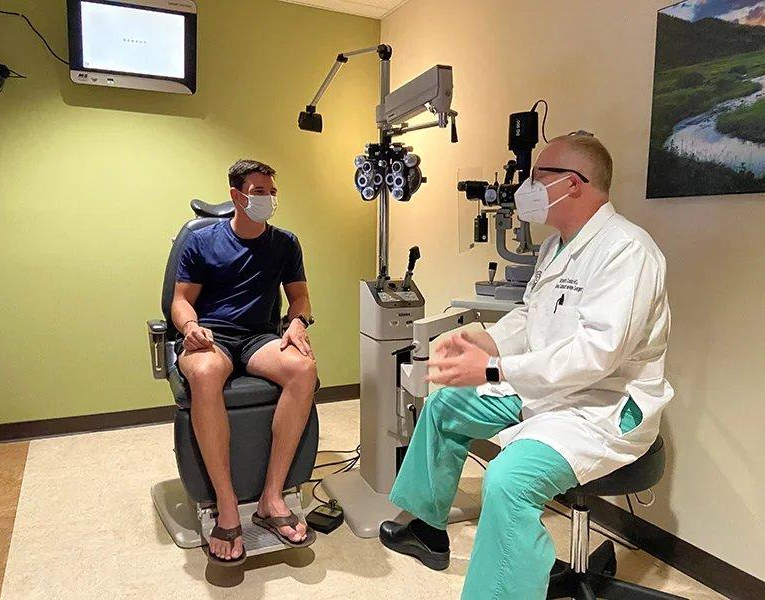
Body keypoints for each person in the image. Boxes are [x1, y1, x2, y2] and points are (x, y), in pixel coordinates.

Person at [379, 133, 673, 599]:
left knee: (507, 480)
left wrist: (494, 370)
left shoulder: (627, 251)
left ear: (574, 184)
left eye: (540, 175)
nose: (528, 185)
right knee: (445, 407)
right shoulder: (556, 245)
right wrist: (486, 337)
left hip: (601, 408)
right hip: (547, 391)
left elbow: (597, 355)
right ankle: (427, 527)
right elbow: (533, 314)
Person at [171, 159, 317, 565]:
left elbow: (299, 297)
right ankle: (227, 504)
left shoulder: (285, 243)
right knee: (203, 373)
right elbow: (181, 300)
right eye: (259, 192)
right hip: (213, 335)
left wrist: (297, 323)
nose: (268, 199)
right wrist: (189, 327)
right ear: (237, 195)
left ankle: (272, 498)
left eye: (271, 191)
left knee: (303, 369)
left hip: (258, 337)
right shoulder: (201, 242)